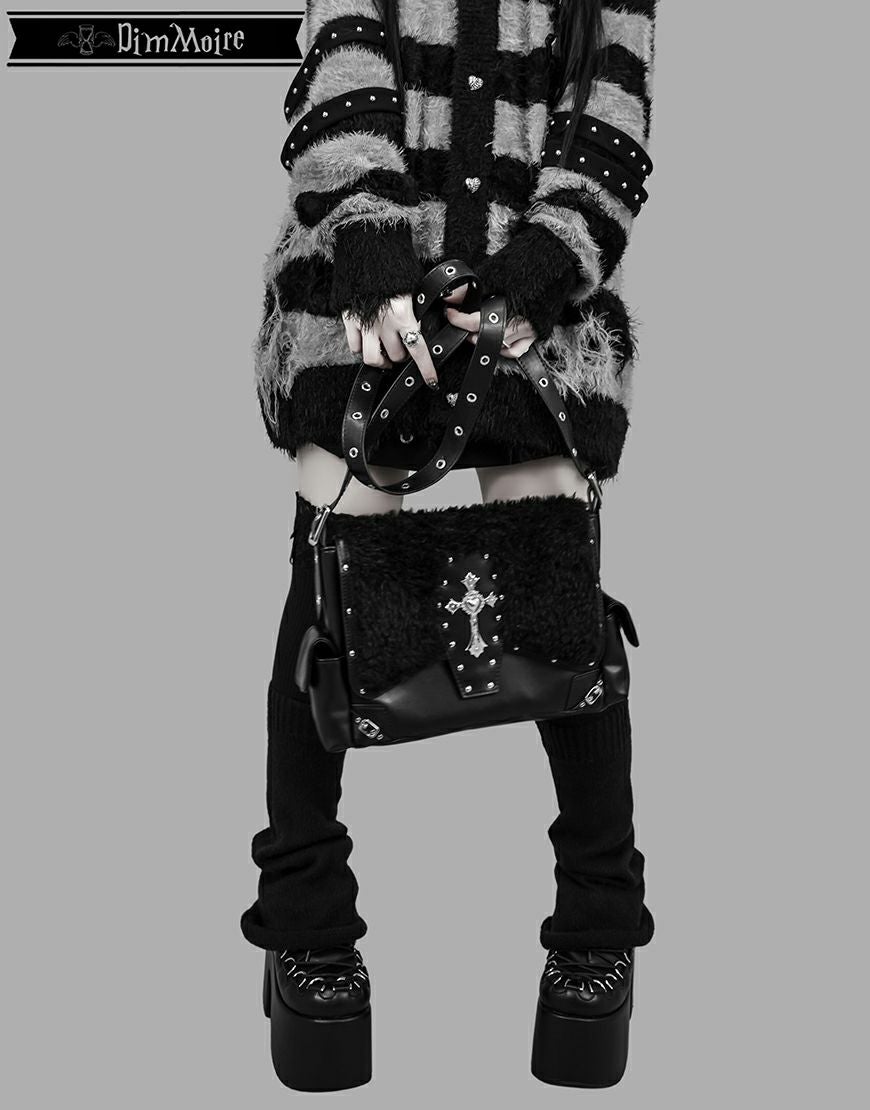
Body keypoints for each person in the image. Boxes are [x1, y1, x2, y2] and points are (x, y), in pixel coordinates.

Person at [241, 0, 658, 1091]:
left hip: (537, 300)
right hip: (365, 277)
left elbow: (610, 119)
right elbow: (342, 67)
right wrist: (376, 254)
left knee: (556, 555)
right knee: (334, 539)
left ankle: (598, 924)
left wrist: (528, 284)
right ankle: (305, 922)